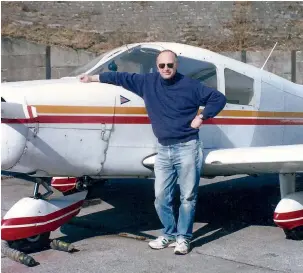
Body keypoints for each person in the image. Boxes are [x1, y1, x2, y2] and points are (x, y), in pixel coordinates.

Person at [79, 50, 226, 255]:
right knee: (160, 197)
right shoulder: (147, 82)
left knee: (187, 197)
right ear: (157, 67)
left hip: (188, 147)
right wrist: (92, 78)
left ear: (176, 65)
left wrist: (202, 116)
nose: (166, 69)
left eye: (170, 65)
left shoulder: (191, 86)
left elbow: (218, 98)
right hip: (163, 149)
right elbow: (119, 77)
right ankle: (168, 234)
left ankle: (184, 238)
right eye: (162, 66)